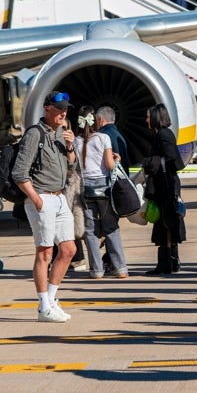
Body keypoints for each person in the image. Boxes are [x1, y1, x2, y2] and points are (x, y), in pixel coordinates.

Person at [11, 91, 78, 322]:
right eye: (59, 108)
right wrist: (36, 200)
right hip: (42, 198)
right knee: (45, 252)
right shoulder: (34, 134)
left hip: (59, 198)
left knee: (69, 250)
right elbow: (19, 173)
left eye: (66, 109)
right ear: (47, 108)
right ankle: (42, 306)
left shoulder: (61, 133)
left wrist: (70, 146)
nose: (64, 112)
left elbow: (72, 166)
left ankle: (51, 299)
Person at [74, 106, 129, 279]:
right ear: (96, 120)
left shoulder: (76, 141)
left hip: (86, 189)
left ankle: (96, 270)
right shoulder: (103, 138)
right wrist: (116, 159)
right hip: (103, 187)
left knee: (91, 231)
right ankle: (120, 268)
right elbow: (110, 166)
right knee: (111, 227)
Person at [144, 103, 186, 276]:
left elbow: (171, 159)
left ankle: (166, 262)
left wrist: (152, 162)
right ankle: (171, 261)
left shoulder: (163, 135)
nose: (146, 119)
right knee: (165, 223)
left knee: (167, 223)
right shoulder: (160, 134)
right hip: (163, 185)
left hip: (166, 186)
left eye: (148, 116)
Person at [95, 106, 129, 173]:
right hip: (122, 180)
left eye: (95, 120)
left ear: (100, 119)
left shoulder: (101, 136)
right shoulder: (120, 137)